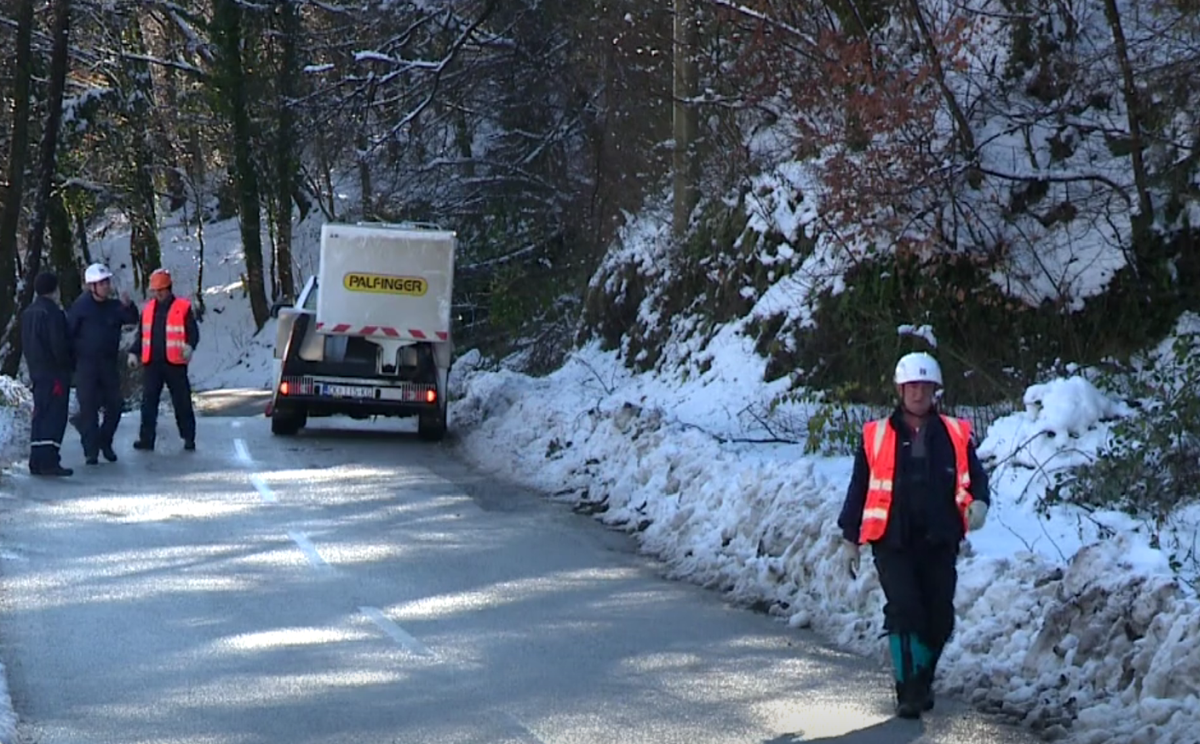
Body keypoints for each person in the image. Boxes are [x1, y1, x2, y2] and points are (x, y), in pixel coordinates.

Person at [836, 351, 990, 719]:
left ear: (935, 391)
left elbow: (977, 478)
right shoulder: (876, 435)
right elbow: (859, 487)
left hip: (939, 540)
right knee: (906, 611)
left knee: (940, 618)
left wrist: (980, 503)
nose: (918, 394)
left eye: (925, 387)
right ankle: (908, 691)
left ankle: (922, 678)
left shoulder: (955, 434)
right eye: (911, 387)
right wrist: (849, 537)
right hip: (893, 540)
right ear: (899, 390)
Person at [68, 263, 140, 464]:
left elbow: (133, 319)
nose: (106, 286)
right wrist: (73, 363)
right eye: (102, 283)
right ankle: (91, 451)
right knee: (89, 409)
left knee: (115, 405)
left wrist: (129, 306)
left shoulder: (114, 306)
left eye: (107, 282)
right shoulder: (80, 307)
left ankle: (104, 441)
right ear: (92, 286)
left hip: (108, 365)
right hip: (86, 366)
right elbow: (69, 335)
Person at [127, 268, 199, 452]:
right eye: (155, 291)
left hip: (175, 363)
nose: (158, 294)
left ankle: (188, 437)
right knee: (148, 402)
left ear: (169, 288)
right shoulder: (148, 310)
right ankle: (146, 439)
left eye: (161, 290)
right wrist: (134, 352)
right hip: (152, 363)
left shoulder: (183, 308)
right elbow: (142, 335)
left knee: (182, 402)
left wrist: (189, 346)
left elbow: (193, 332)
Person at [21, 272, 75, 476]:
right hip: (55, 373)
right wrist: (68, 364)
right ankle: (50, 460)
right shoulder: (53, 313)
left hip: (36, 371)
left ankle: (36, 459)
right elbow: (58, 345)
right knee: (55, 416)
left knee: (40, 414)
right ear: (54, 289)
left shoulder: (28, 313)